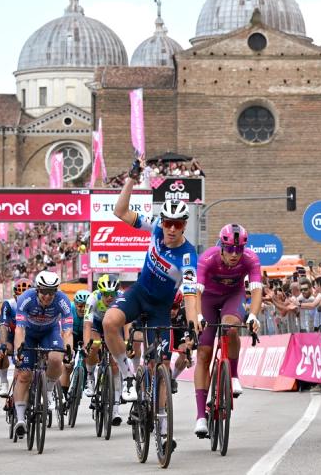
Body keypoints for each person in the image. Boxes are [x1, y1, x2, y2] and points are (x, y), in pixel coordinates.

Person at [103, 159, 201, 407]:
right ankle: (127, 376)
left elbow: (190, 296)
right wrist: (131, 179)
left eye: (177, 224)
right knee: (109, 322)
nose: (171, 229)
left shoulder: (188, 257)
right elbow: (120, 212)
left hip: (160, 308)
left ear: (184, 226)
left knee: (162, 368)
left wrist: (192, 327)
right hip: (139, 294)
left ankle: (162, 422)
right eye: (168, 223)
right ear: (163, 221)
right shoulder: (156, 226)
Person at [193, 223, 262, 437]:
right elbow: (196, 291)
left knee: (231, 327)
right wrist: (198, 316)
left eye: (238, 249)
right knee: (203, 353)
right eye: (230, 249)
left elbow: (256, 290)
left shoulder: (250, 259)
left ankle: (232, 375)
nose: (234, 254)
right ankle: (200, 416)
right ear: (222, 247)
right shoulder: (208, 257)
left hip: (233, 296)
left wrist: (253, 315)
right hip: (207, 299)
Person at [11, 271, 73, 438]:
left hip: (49, 332)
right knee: (24, 375)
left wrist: (69, 350)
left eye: (51, 292)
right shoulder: (26, 298)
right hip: (29, 334)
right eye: (44, 292)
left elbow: (67, 331)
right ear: (37, 289)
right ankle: (20, 419)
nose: (47, 296)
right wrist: (18, 351)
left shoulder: (62, 300)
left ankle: (49, 390)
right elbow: (19, 329)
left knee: (56, 358)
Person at [83, 275, 124, 425]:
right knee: (94, 346)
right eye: (106, 294)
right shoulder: (92, 298)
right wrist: (87, 345)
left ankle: (115, 408)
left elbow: (127, 323)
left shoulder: (122, 298)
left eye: (112, 294)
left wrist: (127, 342)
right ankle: (90, 377)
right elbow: (87, 324)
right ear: (100, 293)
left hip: (114, 324)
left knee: (115, 363)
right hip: (96, 323)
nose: (109, 297)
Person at [0, 278, 29, 397]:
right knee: (2, 352)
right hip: (11, 335)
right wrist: (3, 345)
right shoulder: (9, 304)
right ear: (15, 296)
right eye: (20, 297)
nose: (23, 301)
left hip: (28, 336)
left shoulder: (35, 304)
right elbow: (3, 325)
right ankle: (4, 382)